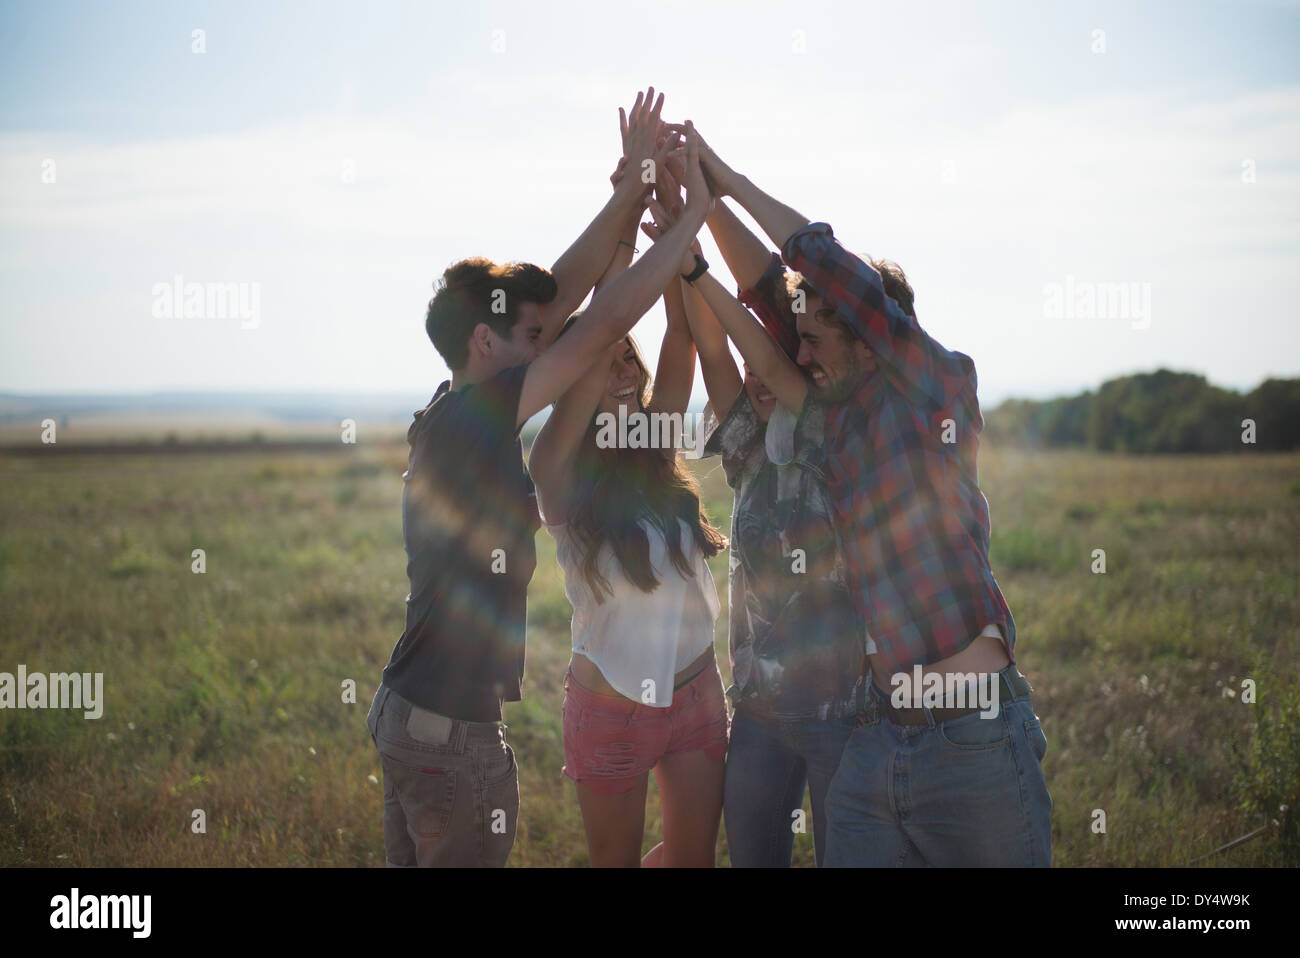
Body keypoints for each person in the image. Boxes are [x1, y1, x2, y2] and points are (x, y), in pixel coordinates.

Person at [674, 123, 1053, 867]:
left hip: (968, 728)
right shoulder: (834, 421)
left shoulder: (937, 391)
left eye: (815, 336)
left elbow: (822, 265)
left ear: (870, 331)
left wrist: (729, 176)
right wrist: (701, 196)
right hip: (879, 736)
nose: (800, 350)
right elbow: (767, 303)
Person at [365, 89, 701, 867]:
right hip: (450, 733)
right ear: (486, 340)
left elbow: (571, 292)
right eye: (527, 336)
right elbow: (603, 322)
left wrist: (632, 191)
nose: (541, 343)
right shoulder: (475, 419)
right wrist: (688, 226)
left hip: (409, 714)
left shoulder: (452, 412)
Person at [642, 186, 864, 867]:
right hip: (760, 714)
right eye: (753, 369)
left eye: (770, 363)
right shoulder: (746, 446)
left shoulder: (834, 436)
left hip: (841, 715)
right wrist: (681, 249)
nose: (756, 381)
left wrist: (695, 255)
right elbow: (714, 342)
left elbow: (747, 350)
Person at [529, 125, 729, 868]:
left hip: (696, 692)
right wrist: (632, 205)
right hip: (610, 706)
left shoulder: (654, 445)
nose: (620, 367)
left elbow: (678, 329)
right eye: (603, 359)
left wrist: (676, 209)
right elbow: (607, 323)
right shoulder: (557, 468)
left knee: (691, 863)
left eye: (626, 357)